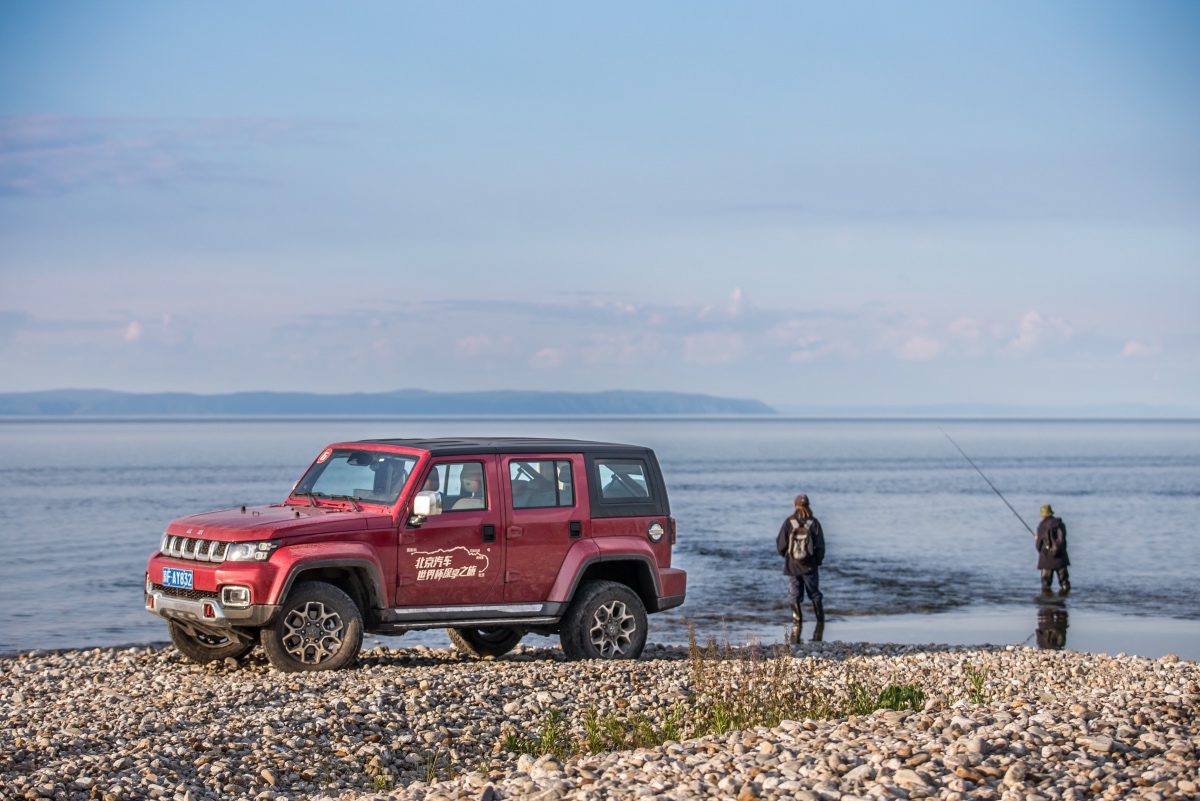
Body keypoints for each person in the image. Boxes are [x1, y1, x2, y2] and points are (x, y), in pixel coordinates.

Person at [776, 493, 826, 643]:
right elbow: (821, 547)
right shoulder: (814, 522)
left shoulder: (789, 522)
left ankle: (797, 627)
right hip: (810, 565)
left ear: (795, 505)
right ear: (808, 505)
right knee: (814, 594)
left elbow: (781, 545)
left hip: (792, 565)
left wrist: (788, 557)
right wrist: (816, 561)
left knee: (794, 594)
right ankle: (820, 624)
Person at [1035, 504, 1070, 593]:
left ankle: (1047, 603)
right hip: (1061, 558)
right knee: (1064, 582)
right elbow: (1063, 540)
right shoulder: (1060, 524)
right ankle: (1064, 602)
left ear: (1043, 515)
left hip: (1046, 559)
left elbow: (1038, 546)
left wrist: (1038, 539)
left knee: (1046, 585)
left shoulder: (1042, 526)